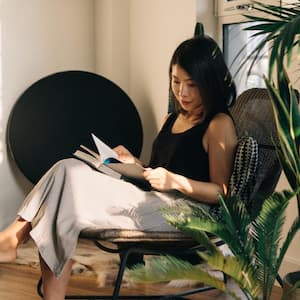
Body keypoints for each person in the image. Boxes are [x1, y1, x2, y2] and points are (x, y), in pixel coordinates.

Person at [0, 35, 237, 299]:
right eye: (176, 81)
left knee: (66, 193)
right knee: (67, 168)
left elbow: (222, 193)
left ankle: (13, 238)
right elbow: (160, 170)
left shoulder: (218, 125)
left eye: (191, 84)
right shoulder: (172, 118)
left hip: (186, 214)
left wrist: (176, 182)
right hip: (154, 200)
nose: (182, 92)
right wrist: (135, 164)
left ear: (210, 81)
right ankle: (16, 244)